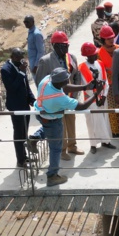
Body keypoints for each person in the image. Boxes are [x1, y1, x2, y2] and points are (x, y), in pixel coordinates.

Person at [28, 68, 102, 187]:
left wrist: (85, 87)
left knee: (49, 128)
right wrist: (96, 93)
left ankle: (35, 137)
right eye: (66, 79)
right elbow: (82, 106)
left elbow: (65, 86)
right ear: (61, 82)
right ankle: (52, 176)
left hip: (41, 112)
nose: (68, 80)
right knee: (56, 148)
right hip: (52, 118)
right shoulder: (58, 97)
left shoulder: (46, 80)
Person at [35, 31, 85, 159]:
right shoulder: (45, 61)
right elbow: (40, 82)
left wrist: (75, 93)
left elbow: (76, 76)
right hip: (56, 100)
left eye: (67, 45)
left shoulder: (71, 58)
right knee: (60, 125)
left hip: (69, 98)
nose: (67, 48)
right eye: (64, 46)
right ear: (55, 46)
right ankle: (62, 150)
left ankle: (72, 146)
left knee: (71, 122)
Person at [0, 48, 35, 168]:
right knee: (18, 133)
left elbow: (26, 85)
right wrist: (21, 72)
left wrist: (32, 99)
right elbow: (12, 88)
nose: (22, 60)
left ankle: (24, 156)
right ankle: (20, 160)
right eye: (20, 58)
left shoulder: (21, 66)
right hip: (15, 106)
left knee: (24, 131)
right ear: (14, 57)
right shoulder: (5, 70)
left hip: (25, 105)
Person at [78, 42, 116, 153]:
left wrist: (103, 96)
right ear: (88, 55)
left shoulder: (100, 63)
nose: (96, 55)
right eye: (94, 54)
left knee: (104, 120)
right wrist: (96, 97)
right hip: (90, 100)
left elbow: (106, 82)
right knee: (92, 123)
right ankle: (93, 145)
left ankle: (106, 141)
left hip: (102, 98)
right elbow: (85, 86)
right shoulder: (82, 67)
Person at [97, 25, 119, 138]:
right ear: (103, 40)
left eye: (112, 37)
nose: (111, 40)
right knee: (112, 109)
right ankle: (116, 131)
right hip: (109, 86)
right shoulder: (99, 54)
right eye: (108, 38)